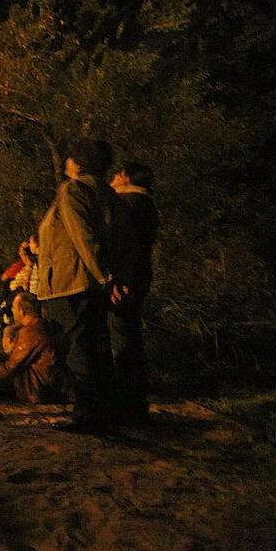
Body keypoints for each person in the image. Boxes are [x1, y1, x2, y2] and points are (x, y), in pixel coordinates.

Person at [36, 139, 123, 433]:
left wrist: (104, 275)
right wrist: (111, 277)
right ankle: (107, 411)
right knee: (97, 346)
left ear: (79, 162)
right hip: (91, 284)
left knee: (76, 348)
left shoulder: (73, 190)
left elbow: (82, 236)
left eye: (69, 158)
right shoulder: (108, 193)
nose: (65, 164)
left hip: (70, 283)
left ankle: (87, 414)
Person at [108, 161, 159, 422]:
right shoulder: (146, 204)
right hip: (138, 275)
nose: (113, 178)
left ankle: (129, 403)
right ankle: (135, 401)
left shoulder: (128, 204)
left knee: (121, 337)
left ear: (126, 177)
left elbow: (123, 244)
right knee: (129, 334)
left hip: (126, 279)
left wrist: (117, 278)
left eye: (117, 174)